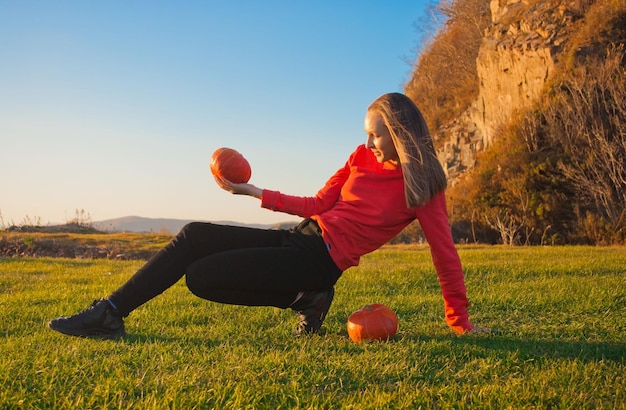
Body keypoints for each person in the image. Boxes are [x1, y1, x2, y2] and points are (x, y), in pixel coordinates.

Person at [49, 92, 490, 339]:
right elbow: (317, 205)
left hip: (320, 262)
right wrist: (252, 192)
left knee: (201, 278)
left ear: (398, 132)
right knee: (194, 234)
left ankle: (309, 296)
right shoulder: (359, 157)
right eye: (367, 135)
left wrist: (459, 322)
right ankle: (109, 312)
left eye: (376, 135)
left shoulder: (424, 186)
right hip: (298, 236)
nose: (369, 143)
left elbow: (445, 255)